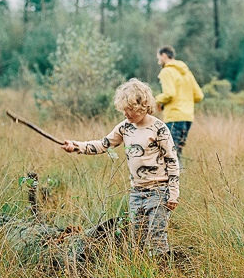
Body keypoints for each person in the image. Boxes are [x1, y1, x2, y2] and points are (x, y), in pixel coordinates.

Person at [61, 78, 180, 257]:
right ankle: (142, 273)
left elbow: (172, 161)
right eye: (123, 109)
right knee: (136, 240)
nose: (125, 113)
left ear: (142, 105)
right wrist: (76, 146)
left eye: (129, 109)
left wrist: (173, 193)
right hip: (136, 194)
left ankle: (162, 273)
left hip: (159, 192)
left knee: (156, 239)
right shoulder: (125, 128)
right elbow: (103, 144)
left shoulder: (159, 129)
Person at [155, 46, 204, 164]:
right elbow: (199, 95)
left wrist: (156, 99)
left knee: (170, 154)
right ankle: (179, 179)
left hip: (174, 117)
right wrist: (185, 101)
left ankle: (174, 181)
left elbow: (169, 94)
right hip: (187, 118)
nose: (158, 62)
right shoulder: (186, 72)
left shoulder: (166, 71)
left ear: (164, 56)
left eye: (158, 58)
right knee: (177, 152)